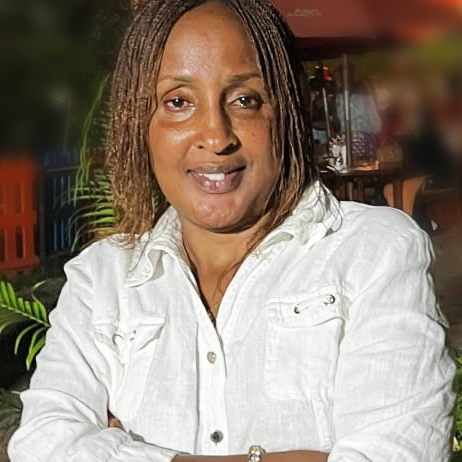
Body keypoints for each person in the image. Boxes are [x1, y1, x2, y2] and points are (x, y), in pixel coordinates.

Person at [8, 1, 457, 462]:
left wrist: (127, 450)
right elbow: (42, 444)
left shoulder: (373, 253)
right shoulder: (102, 280)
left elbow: (398, 453)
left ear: (286, 112)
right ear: (138, 123)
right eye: (178, 102)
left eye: (245, 100)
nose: (216, 135)